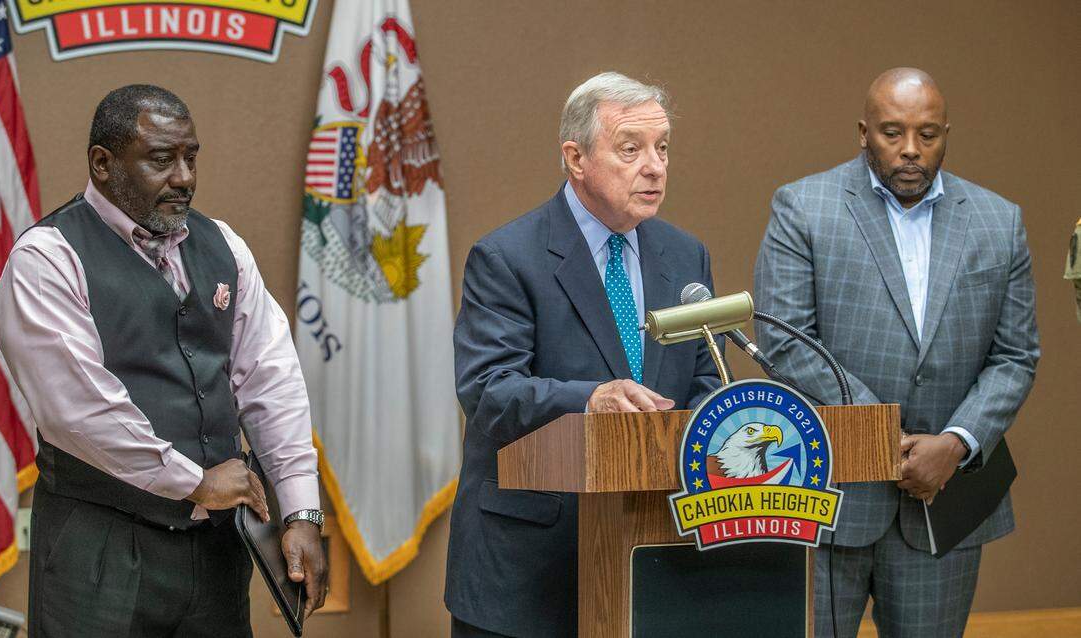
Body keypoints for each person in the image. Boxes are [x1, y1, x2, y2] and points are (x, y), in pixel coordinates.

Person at [0, 85, 328, 637]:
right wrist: (196, 481)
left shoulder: (225, 246)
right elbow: (79, 411)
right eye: (161, 159)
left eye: (190, 156)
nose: (184, 178)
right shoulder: (46, 258)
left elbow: (272, 381)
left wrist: (301, 511)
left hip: (216, 552)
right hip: (98, 551)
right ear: (102, 164)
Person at [753, 68, 1039, 637]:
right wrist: (884, 431)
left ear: (946, 134)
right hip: (829, 492)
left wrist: (955, 444)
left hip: (944, 495)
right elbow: (785, 340)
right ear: (863, 132)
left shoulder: (999, 221)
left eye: (928, 135)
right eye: (892, 132)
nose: (911, 149)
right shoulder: (804, 208)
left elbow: (1016, 356)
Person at [445, 72, 724, 637]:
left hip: (654, 554)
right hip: (529, 567)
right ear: (575, 157)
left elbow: (704, 377)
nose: (655, 165)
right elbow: (488, 392)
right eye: (631, 148)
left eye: (662, 147)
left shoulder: (685, 254)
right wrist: (592, 398)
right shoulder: (507, 257)